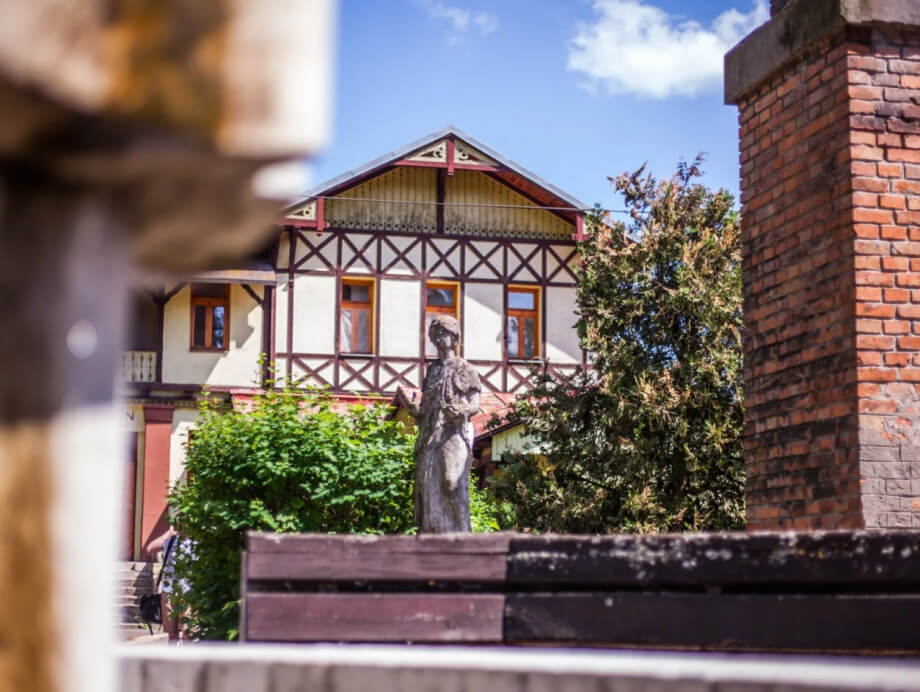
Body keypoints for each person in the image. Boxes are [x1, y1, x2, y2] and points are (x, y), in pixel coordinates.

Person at [408, 314, 481, 532]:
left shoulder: (464, 368)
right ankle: (434, 534)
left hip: (453, 432)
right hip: (431, 435)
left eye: (444, 333)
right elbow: (426, 409)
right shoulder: (432, 371)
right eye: (436, 334)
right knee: (425, 486)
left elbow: (475, 405)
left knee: (452, 482)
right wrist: (416, 412)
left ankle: (463, 533)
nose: (440, 338)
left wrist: (461, 411)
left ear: (455, 337)